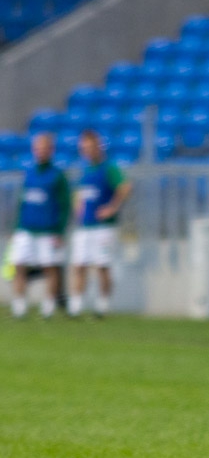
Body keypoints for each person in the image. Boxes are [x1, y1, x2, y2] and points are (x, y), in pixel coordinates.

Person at [68, 129, 132, 318]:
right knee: (79, 265)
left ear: (98, 147)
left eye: (89, 147)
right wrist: (77, 207)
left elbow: (125, 187)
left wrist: (112, 207)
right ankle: (76, 305)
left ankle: (102, 305)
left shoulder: (109, 168)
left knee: (102, 266)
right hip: (85, 226)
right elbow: (79, 192)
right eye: (83, 148)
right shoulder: (85, 170)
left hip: (103, 227)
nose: (86, 151)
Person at [10, 133, 71, 319]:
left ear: (51, 150)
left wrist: (60, 231)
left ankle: (49, 305)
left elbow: (65, 205)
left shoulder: (57, 175)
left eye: (44, 148)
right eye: (38, 148)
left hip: (48, 230)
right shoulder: (29, 173)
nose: (41, 152)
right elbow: (22, 203)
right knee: (19, 264)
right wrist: (16, 227)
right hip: (26, 228)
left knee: (50, 267)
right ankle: (19, 305)